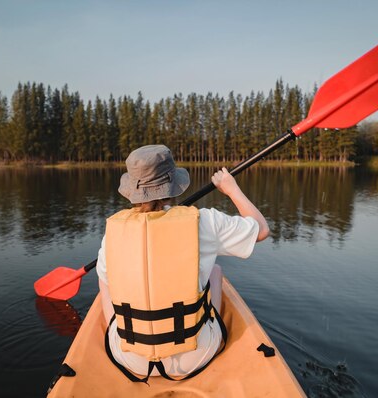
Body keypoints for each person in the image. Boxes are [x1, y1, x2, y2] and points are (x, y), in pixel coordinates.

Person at [96, 144, 269, 382]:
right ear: (174, 186)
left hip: (128, 357)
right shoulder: (204, 222)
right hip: (192, 358)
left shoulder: (113, 233)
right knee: (215, 270)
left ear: (132, 190)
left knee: (104, 278)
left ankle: (119, 332)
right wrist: (232, 189)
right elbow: (261, 230)